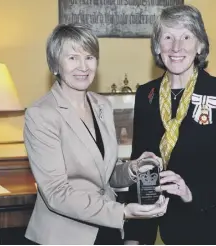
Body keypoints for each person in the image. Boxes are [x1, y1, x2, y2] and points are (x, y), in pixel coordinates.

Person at [23, 23, 169, 245]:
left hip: (106, 230)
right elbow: (56, 193)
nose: (83, 66)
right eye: (72, 58)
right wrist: (123, 212)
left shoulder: (102, 105)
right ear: (55, 64)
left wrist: (133, 168)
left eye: (89, 57)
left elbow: (105, 176)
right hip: (65, 236)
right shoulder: (41, 114)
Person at [124, 4, 216, 245]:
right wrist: (134, 237)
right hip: (156, 231)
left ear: (200, 45)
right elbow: (141, 166)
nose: (176, 47)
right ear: (158, 46)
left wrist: (191, 193)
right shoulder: (145, 94)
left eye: (186, 36)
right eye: (168, 37)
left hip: (209, 228)